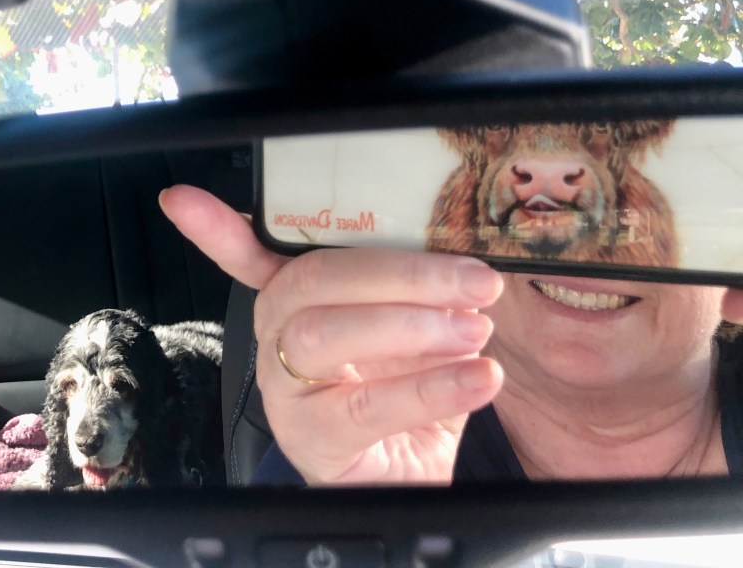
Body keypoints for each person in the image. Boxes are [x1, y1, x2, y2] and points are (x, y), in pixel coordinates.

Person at [159, 184, 743, 485]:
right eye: (535, 203)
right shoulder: (366, 429)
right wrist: (378, 530)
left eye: (652, 213)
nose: (584, 244)